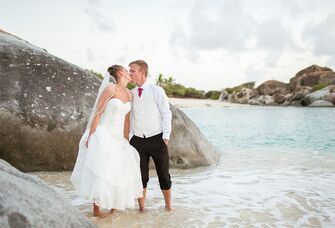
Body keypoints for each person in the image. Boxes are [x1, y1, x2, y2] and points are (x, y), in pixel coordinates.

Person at [71, 65, 143, 217]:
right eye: (127, 71)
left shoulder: (130, 95)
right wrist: (91, 135)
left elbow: (127, 120)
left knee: (118, 173)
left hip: (119, 138)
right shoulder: (110, 89)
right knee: (102, 173)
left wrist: (126, 140)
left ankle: (112, 212)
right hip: (104, 134)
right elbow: (98, 113)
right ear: (120, 73)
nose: (130, 73)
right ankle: (96, 213)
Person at [127, 60, 173, 211]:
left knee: (163, 175)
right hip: (137, 141)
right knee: (141, 177)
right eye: (129, 71)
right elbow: (130, 116)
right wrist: (130, 137)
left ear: (142, 72)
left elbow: (166, 113)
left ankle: (168, 207)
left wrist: (165, 136)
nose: (130, 73)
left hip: (157, 138)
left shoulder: (156, 90)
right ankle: (142, 209)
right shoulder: (131, 94)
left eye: (132, 70)